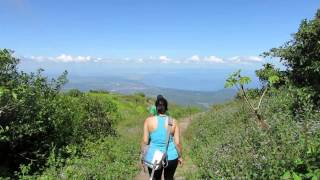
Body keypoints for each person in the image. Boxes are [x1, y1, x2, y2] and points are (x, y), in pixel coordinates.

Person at [141, 95, 182, 180]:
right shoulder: (174, 121)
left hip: (154, 156)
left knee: (155, 178)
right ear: (166, 108)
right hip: (171, 156)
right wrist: (180, 156)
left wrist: (143, 156)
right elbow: (177, 143)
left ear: (156, 108)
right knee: (169, 178)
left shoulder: (148, 121)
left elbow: (145, 141)